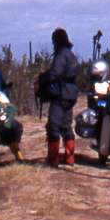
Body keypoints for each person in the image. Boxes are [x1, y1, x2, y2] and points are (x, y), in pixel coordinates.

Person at [44, 27, 81, 166]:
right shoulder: (71, 55)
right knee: (66, 126)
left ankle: (53, 159)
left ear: (56, 40)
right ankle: (69, 158)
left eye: (53, 40)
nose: (52, 43)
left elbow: (55, 72)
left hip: (60, 94)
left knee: (53, 126)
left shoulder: (61, 54)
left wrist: (44, 78)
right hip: (71, 94)